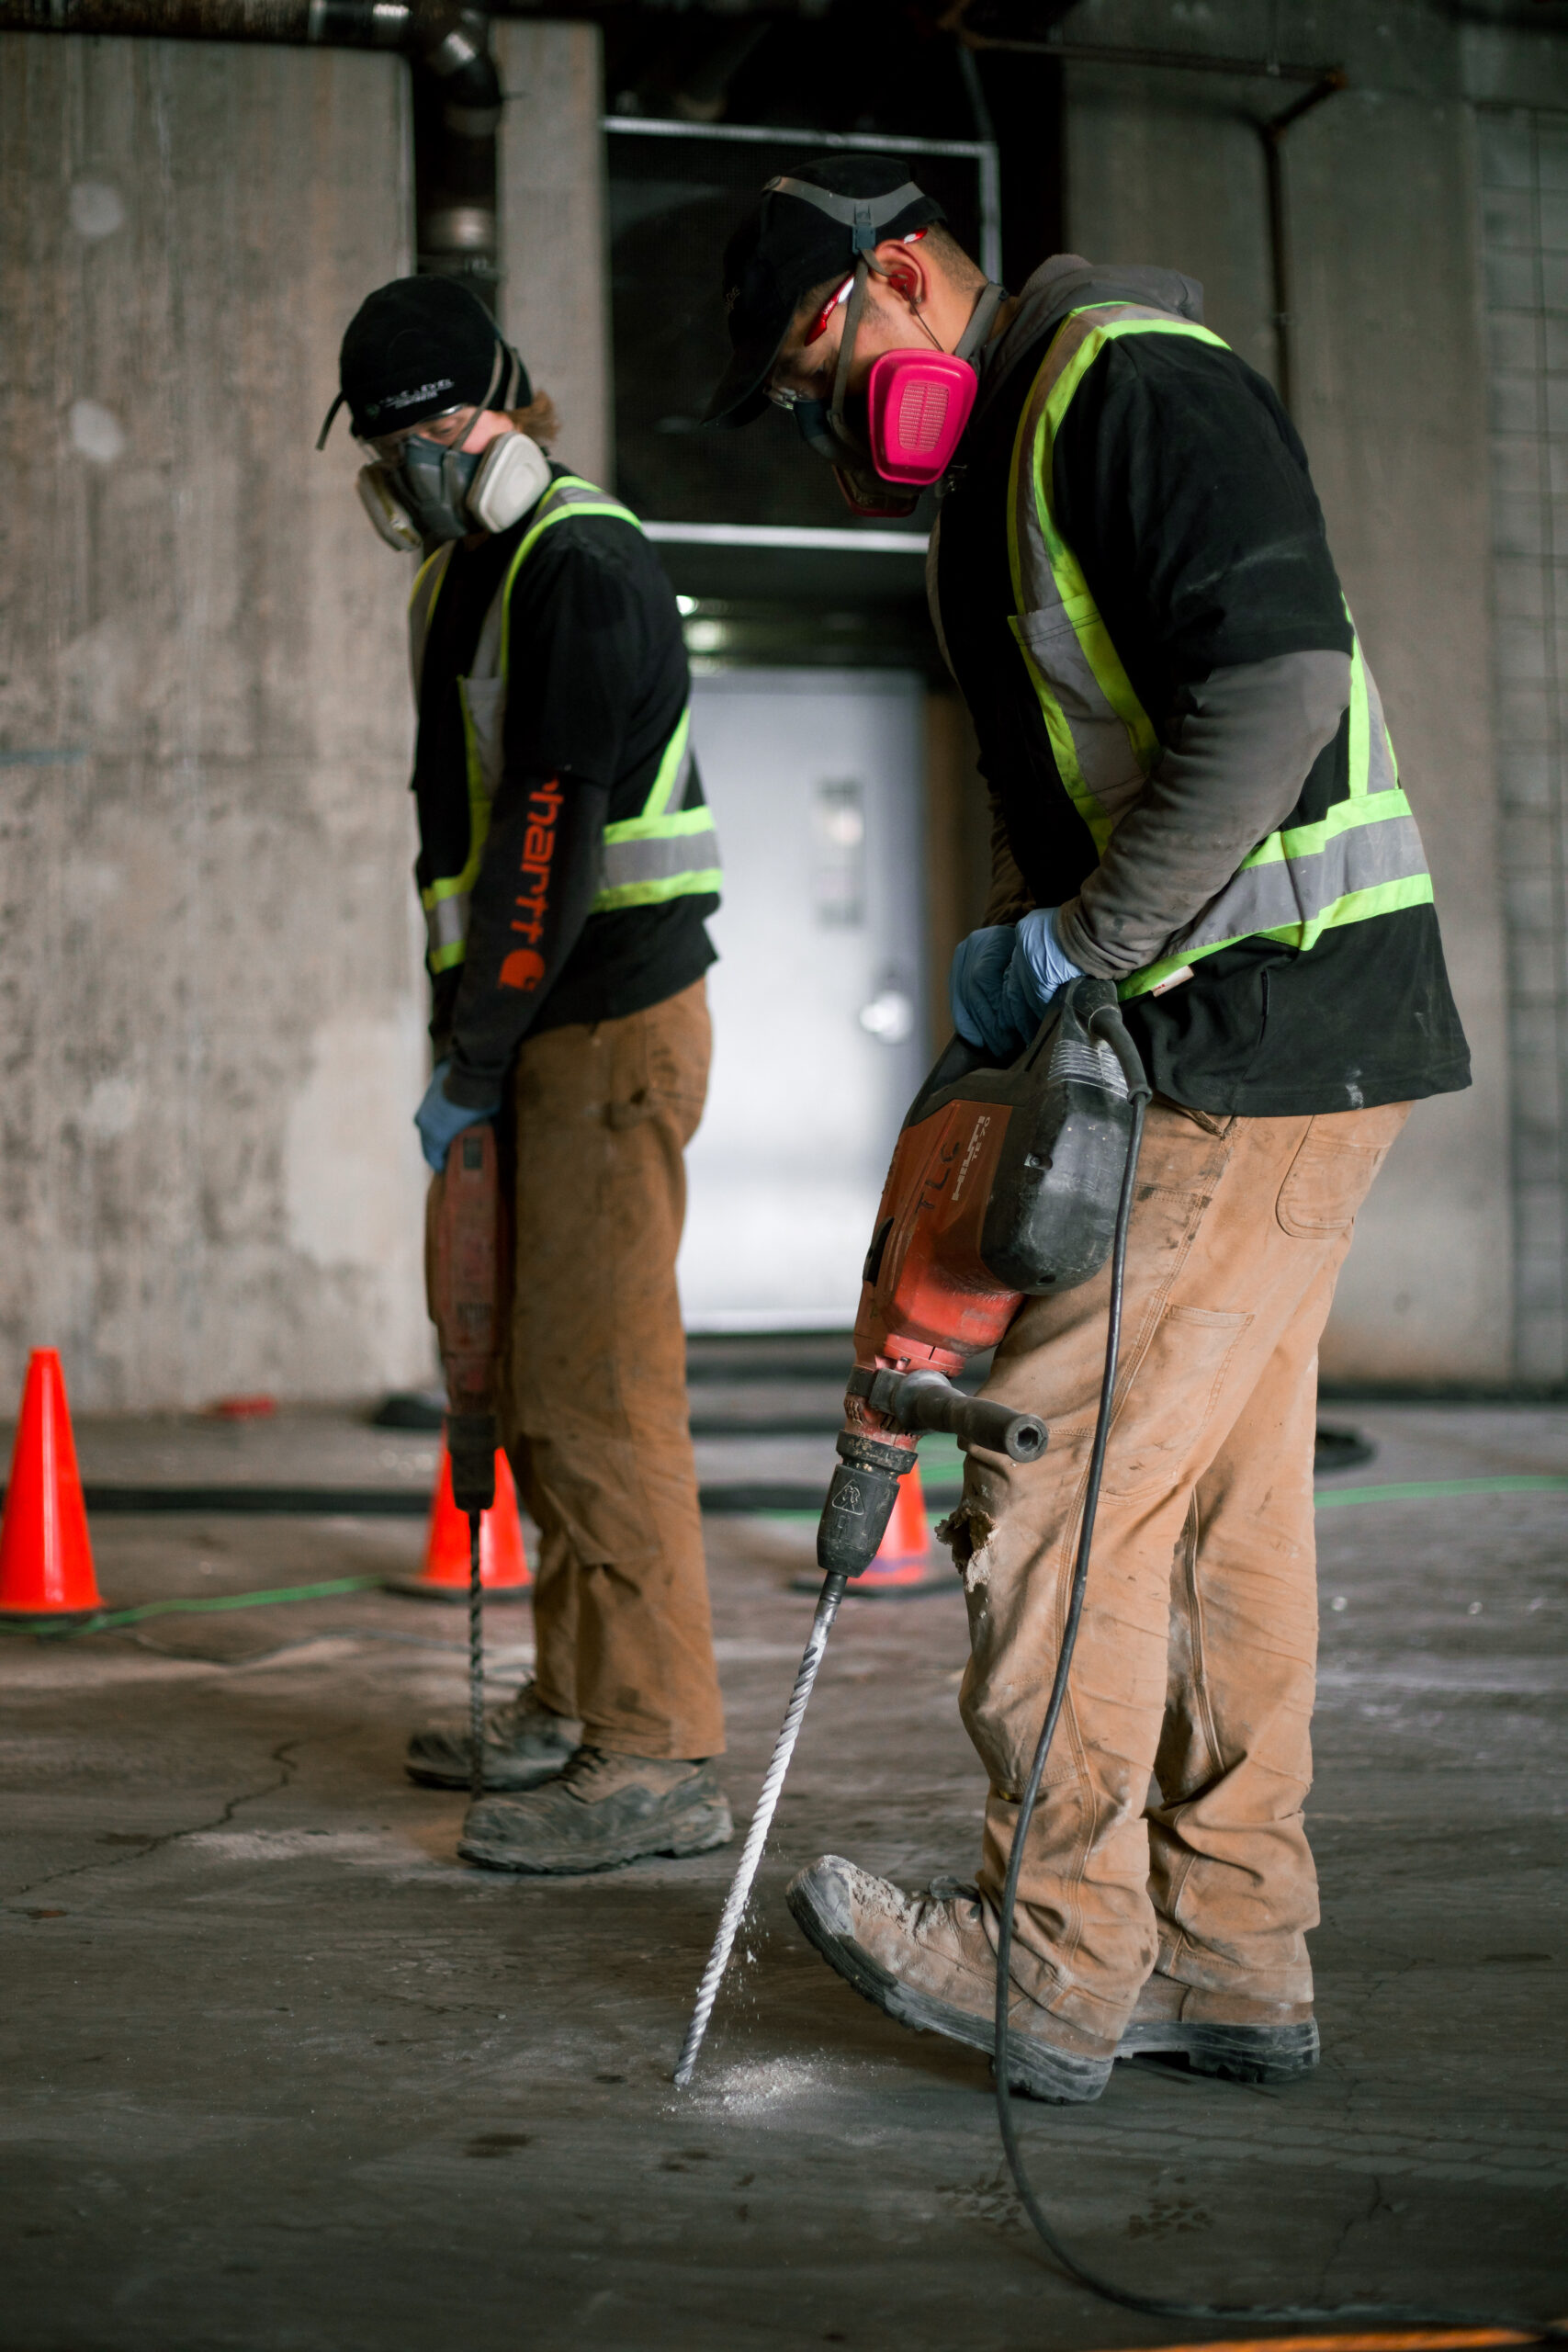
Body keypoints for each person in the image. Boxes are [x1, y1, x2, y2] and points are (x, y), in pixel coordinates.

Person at [702, 159, 1470, 2101]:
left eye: (816, 363)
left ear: (897, 275)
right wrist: (1015, 980)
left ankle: (1049, 1960)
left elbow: (1276, 685)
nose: (822, 423)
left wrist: (1075, 950)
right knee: (1215, 1518)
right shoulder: (1016, 463)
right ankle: (1225, 1950)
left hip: (1240, 1025)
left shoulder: (1121, 383)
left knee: (1045, 1490)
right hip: (1272, 1033)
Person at [323, 276, 732, 1875]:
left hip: (614, 1021)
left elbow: (550, 840)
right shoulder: (455, 587)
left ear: (499, 407)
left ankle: (658, 1751)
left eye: (430, 432)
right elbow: (459, 841)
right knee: (533, 1387)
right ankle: (575, 1701)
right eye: (386, 444)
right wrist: (465, 1033)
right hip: (525, 1026)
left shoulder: (585, 565)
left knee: (603, 1387)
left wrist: (485, 1040)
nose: (412, 465)